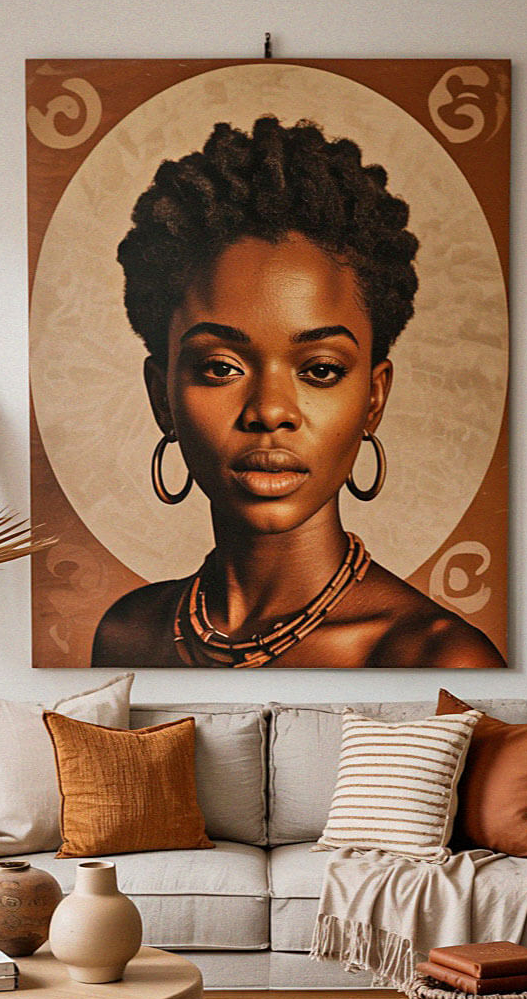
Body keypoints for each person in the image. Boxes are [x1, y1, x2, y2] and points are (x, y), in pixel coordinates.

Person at [92, 116, 504, 668]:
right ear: (162, 397)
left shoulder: (435, 658)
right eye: (220, 367)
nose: (270, 411)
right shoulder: (128, 635)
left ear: (374, 399)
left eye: (321, 370)